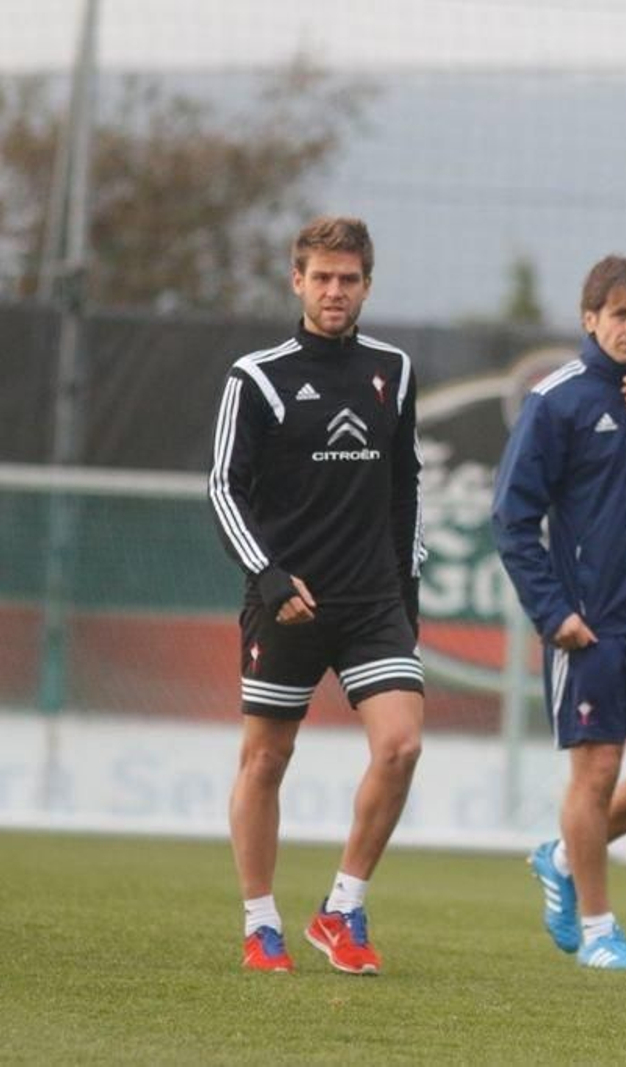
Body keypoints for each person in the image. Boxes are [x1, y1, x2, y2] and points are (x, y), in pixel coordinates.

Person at [207, 216, 426, 976]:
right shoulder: (256, 377)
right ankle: (259, 921)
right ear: (297, 281)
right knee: (267, 757)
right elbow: (224, 489)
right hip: (286, 600)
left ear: (367, 283)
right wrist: (268, 576)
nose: (335, 291)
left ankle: (341, 908)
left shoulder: (393, 370)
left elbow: (406, 488)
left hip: (373, 603)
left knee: (400, 744)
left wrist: (409, 587)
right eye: (322, 277)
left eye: (349, 278)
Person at [491, 255, 626, 972]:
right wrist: (552, 613)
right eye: (620, 314)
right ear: (590, 319)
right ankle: (600, 929)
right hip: (590, 624)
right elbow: (512, 518)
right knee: (599, 769)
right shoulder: (558, 401)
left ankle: (561, 854)